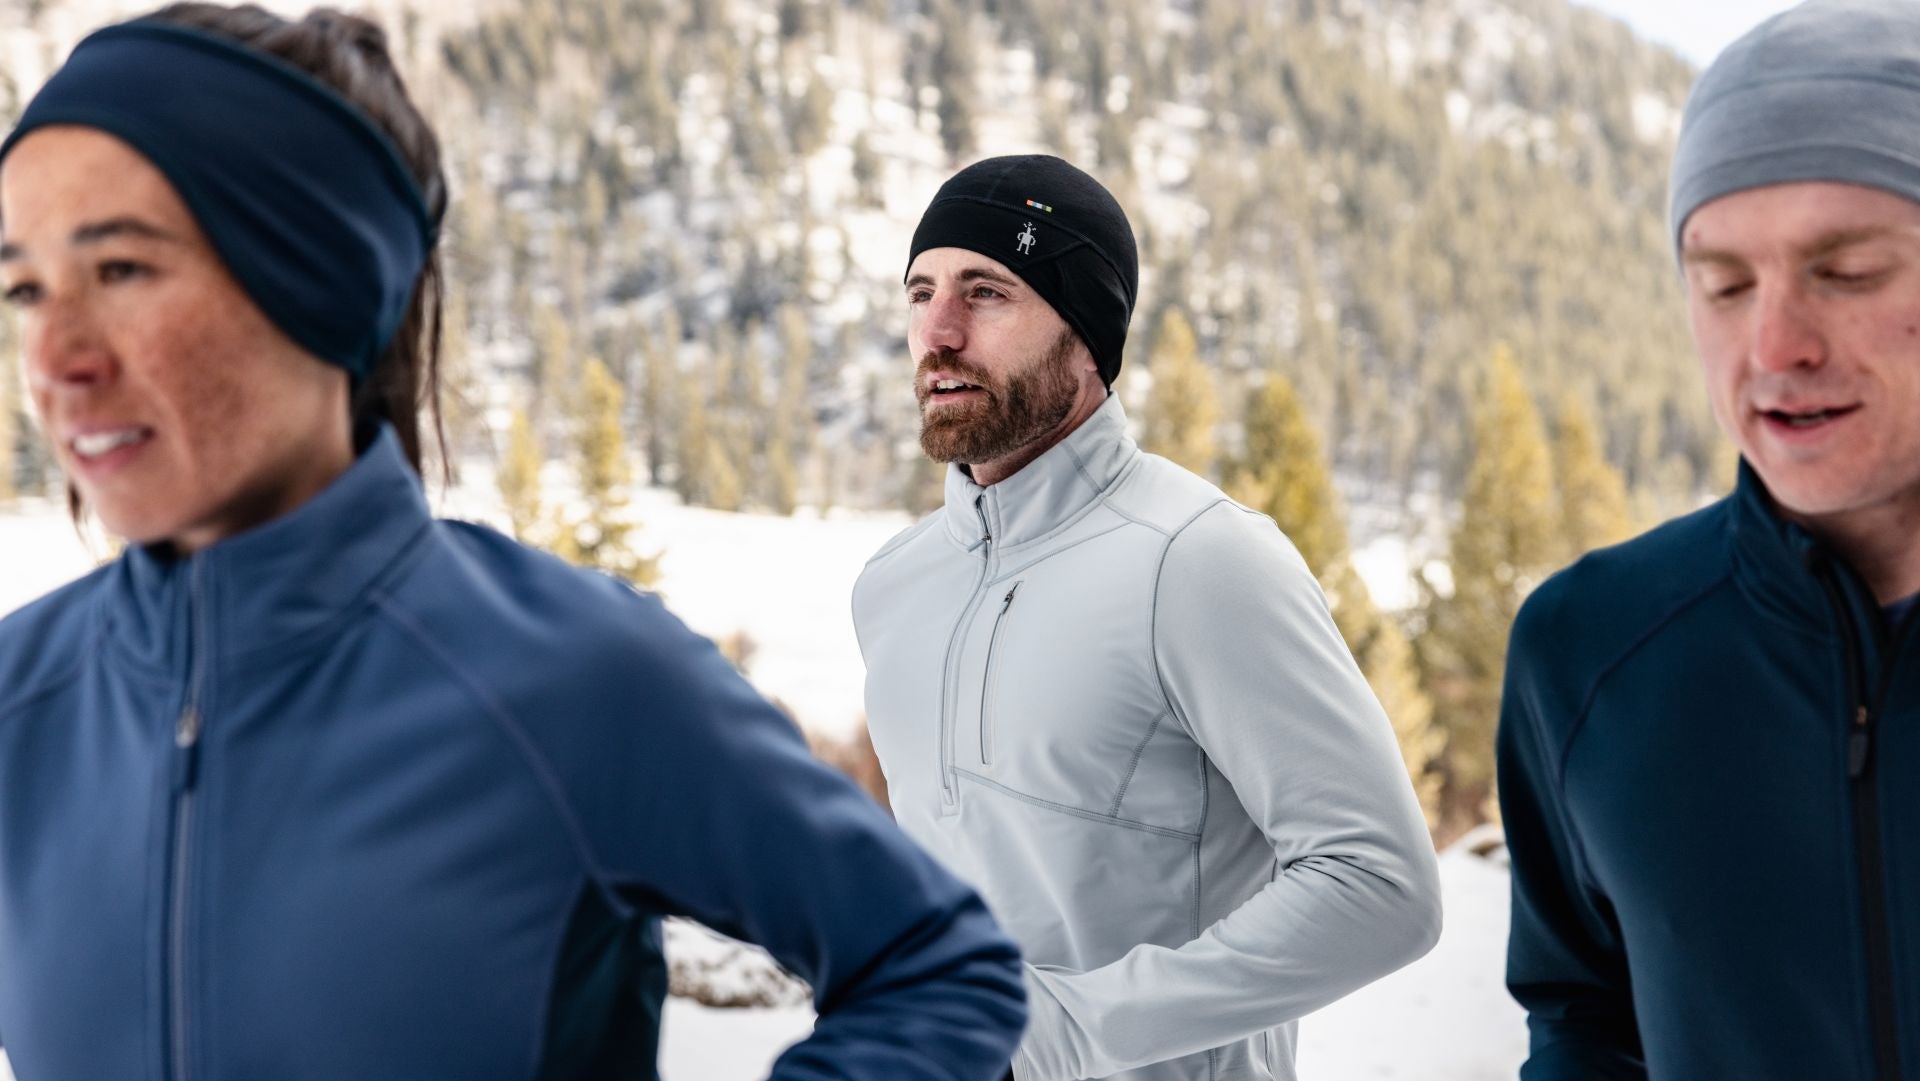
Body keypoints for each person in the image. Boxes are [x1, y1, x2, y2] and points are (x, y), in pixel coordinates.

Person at [0, 7, 1026, 1080]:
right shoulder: (21, 701)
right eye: (24, 286)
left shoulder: (570, 679)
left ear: (322, 279)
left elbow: (938, 966)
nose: (54, 356)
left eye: (123, 269)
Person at [852, 153, 1442, 1081]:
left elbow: (1382, 885)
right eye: (921, 292)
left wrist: (1064, 1033)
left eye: (987, 292)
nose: (939, 330)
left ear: (1087, 335)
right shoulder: (894, 586)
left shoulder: (1200, 559)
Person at [1498, 2, 1920, 1077]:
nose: (1774, 345)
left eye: (1848, 271)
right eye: (1725, 284)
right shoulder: (1588, 648)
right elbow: (1582, 1015)